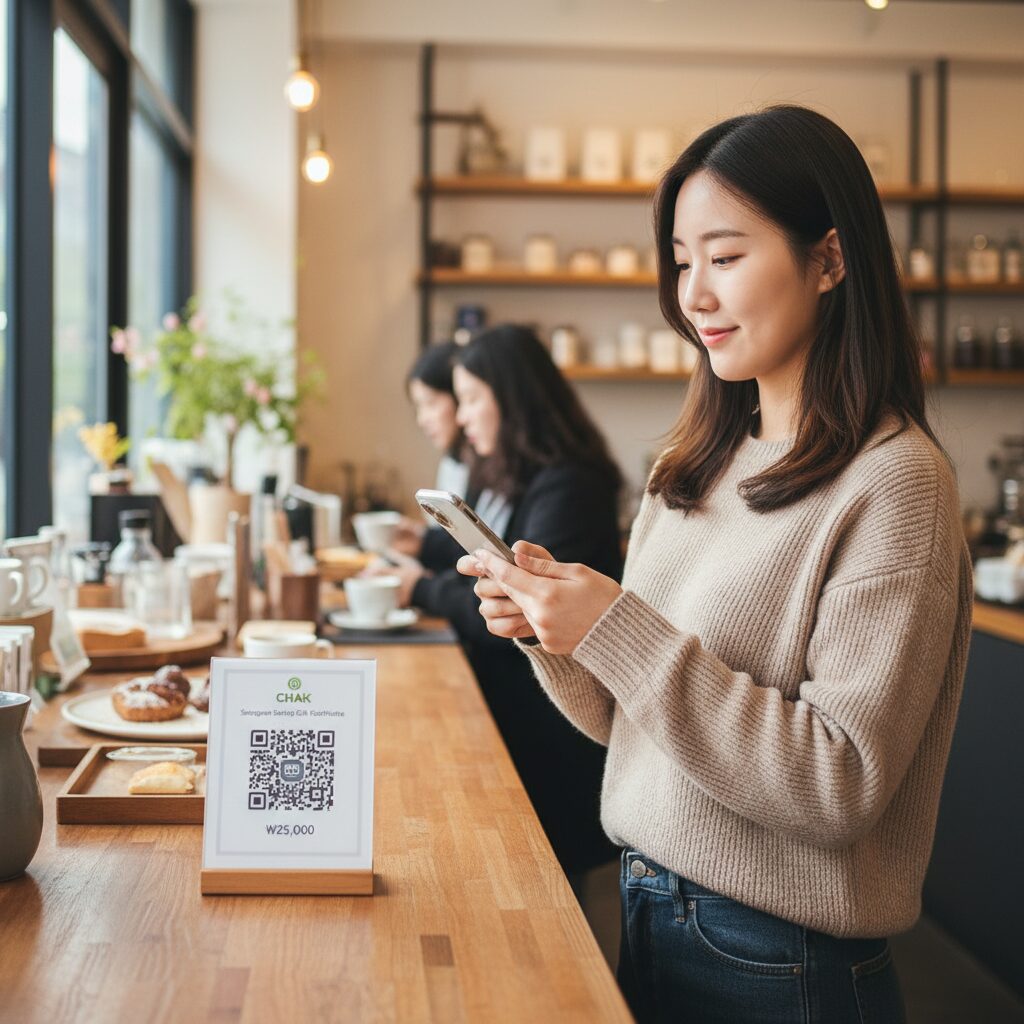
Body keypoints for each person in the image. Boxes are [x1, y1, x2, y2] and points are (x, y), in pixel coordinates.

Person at [460, 106, 972, 1024]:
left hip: (784, 961)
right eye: (681, 262)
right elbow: (632, 729)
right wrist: (556, 633)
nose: (693, 296)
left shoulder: (895, 483)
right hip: (648, 907)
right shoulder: (691, 466)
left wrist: (616, 628)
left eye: (725, 258)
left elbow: (840, 782)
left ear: (830, 259)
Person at [394, 324, 625, 878]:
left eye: (472, 398)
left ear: (514, 397)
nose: (462, 416)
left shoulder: (571, 485)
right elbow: (482, 562)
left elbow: (518, 607)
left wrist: (419, 588)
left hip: (553, 719)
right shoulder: (507, 471)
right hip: (516, 692)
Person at [391, 341, 467, 566]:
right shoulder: (452, 463)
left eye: (430, 403)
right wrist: (422, 539)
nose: (422, 420)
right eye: (418, 407)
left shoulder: (489, 470)